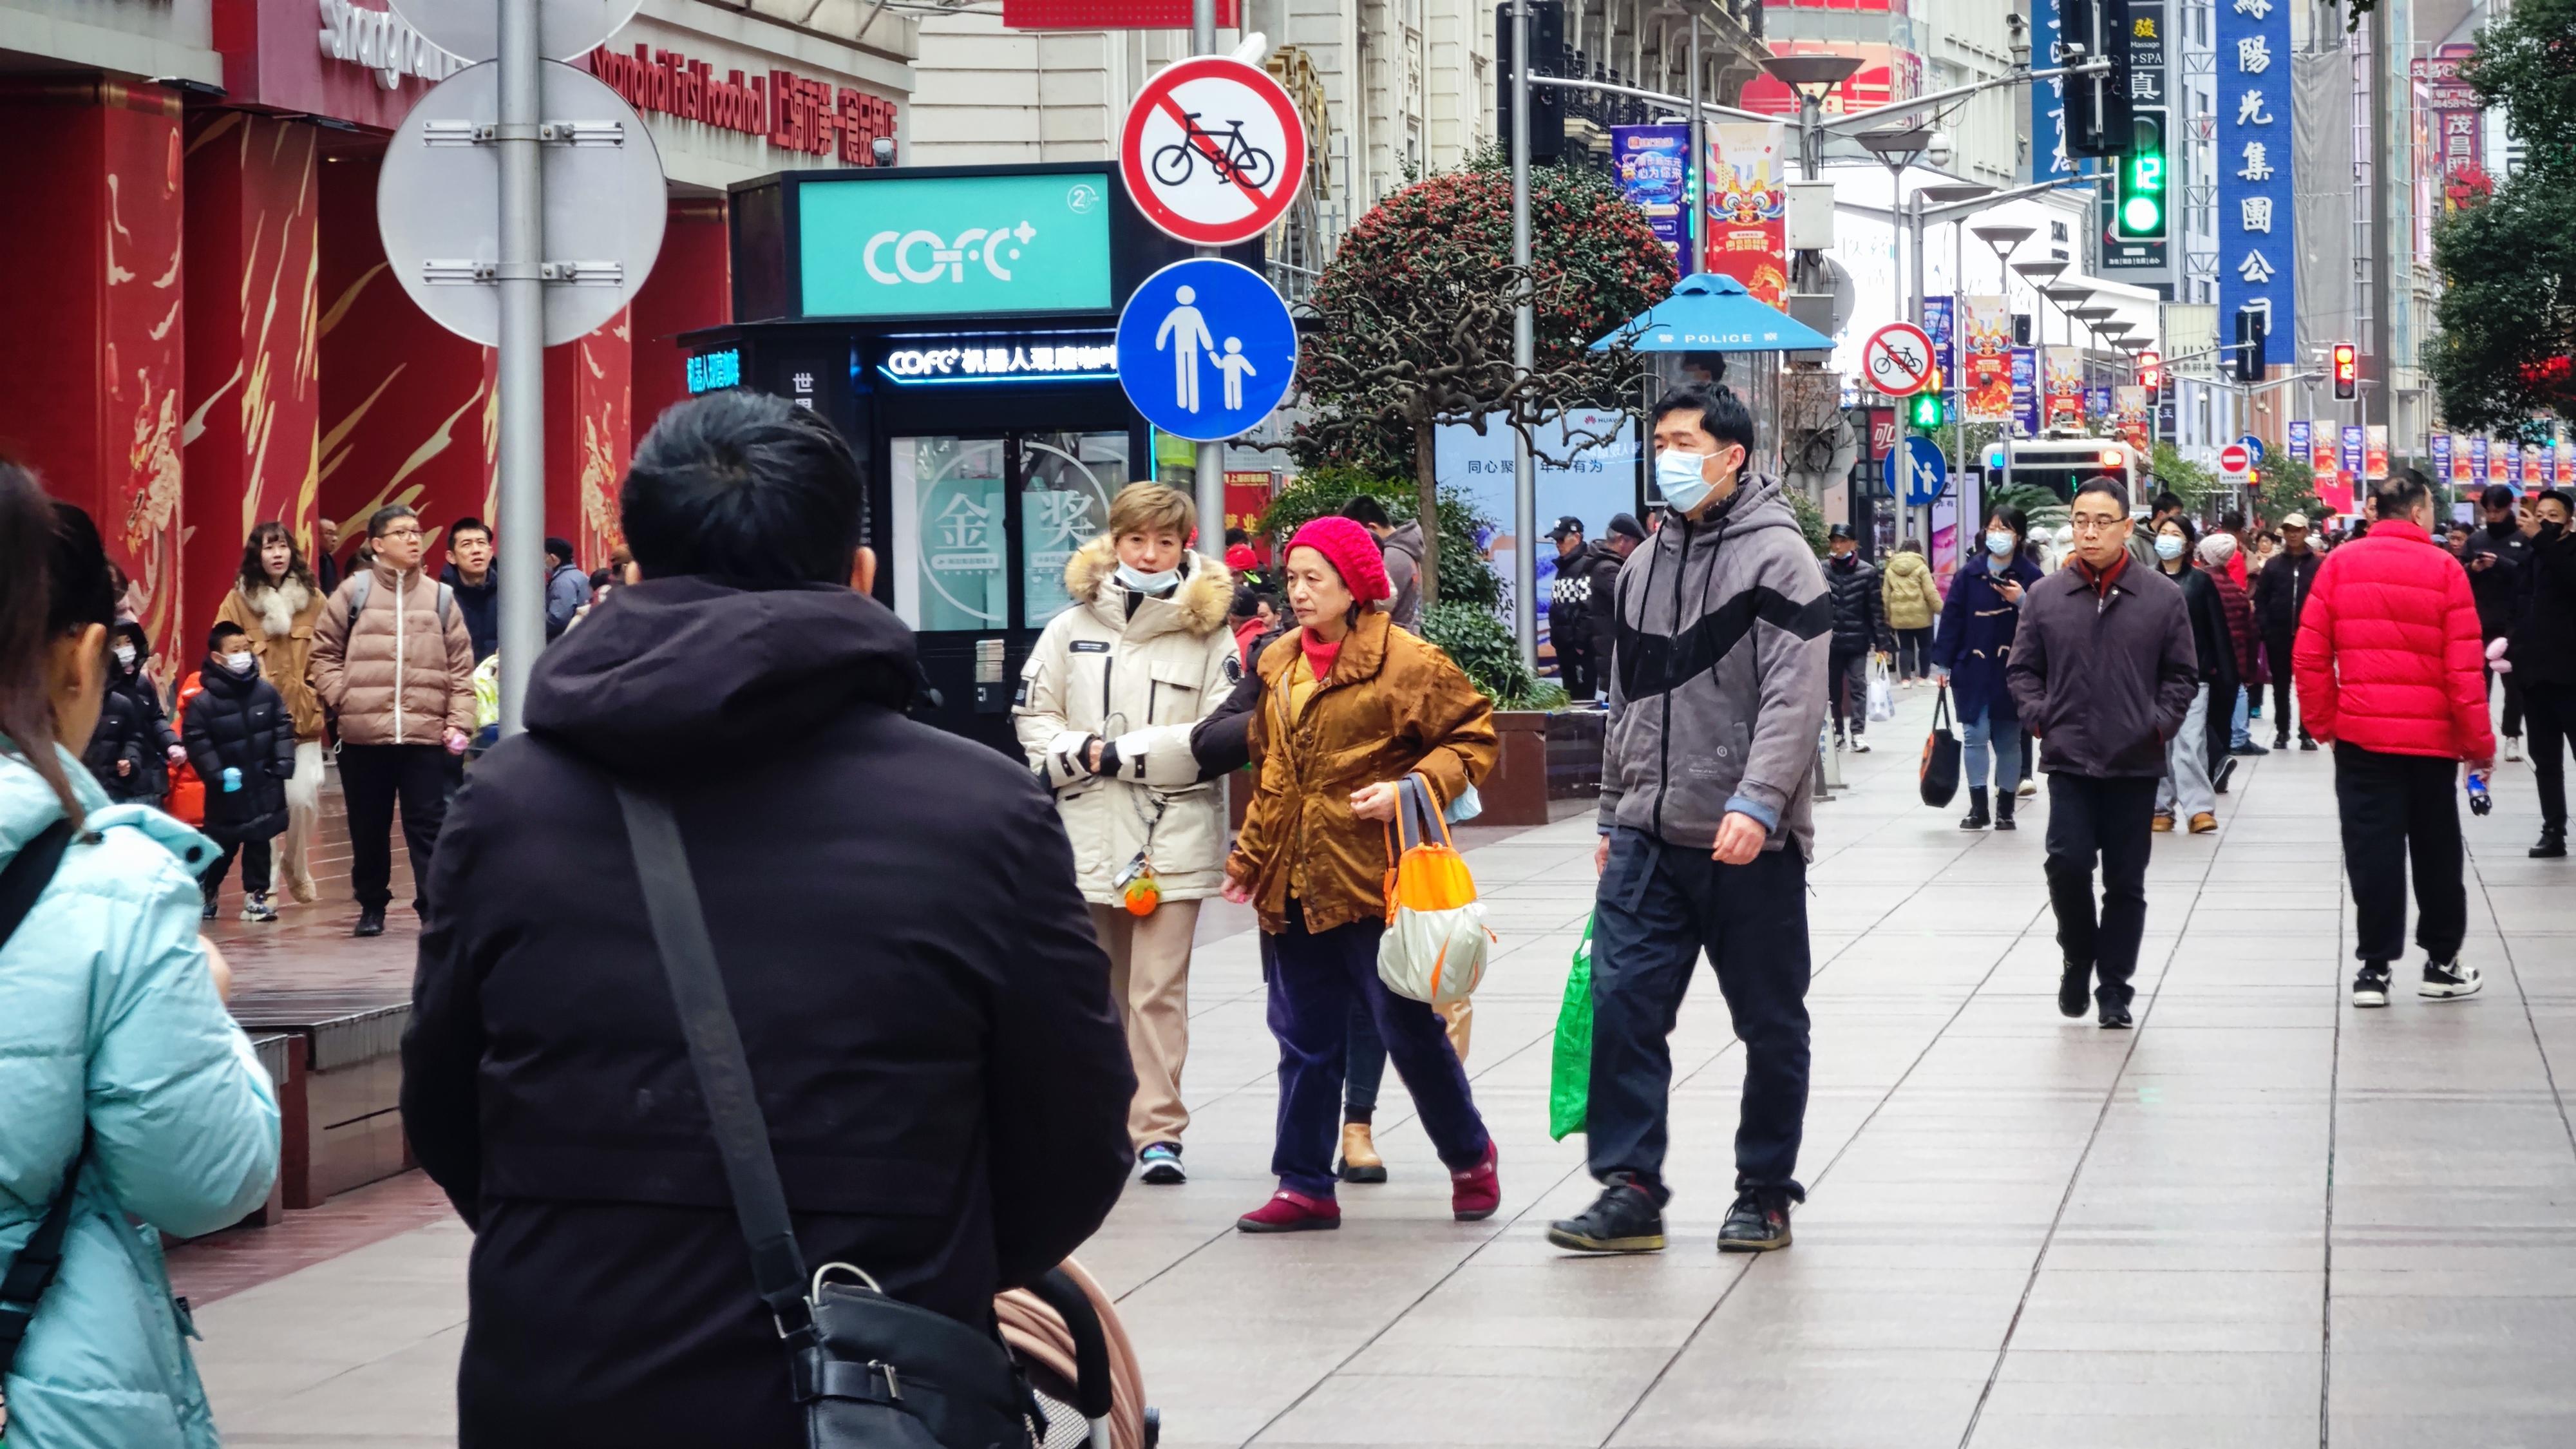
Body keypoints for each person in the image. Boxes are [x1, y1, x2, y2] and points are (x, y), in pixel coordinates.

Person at [401, 390, 1133, 1448]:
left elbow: (446, 1108)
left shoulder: (508, 807)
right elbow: (1072, 1130)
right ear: (863, 575)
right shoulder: (980, 812)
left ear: (634, 572)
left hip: (561, 1379)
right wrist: (929, 1263)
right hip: (873, 1393)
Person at [0, 469, 280, 1449]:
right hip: (47, 1391)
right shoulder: (110, 888)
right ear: (80, 659)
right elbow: (205, 1175)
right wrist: (203, 1004)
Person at [1546, 385, 1829, 1256]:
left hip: (1748, 838)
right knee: (1625, 1003)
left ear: (1731, 454)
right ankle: (1630, 1187)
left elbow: (1794, 699)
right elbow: (1627, 701)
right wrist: (1607, 809)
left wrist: (1759, 799)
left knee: (1770, 1021)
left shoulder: (1782, 560)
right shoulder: (1640, 566)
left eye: (1682, 441)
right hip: (1645, 831)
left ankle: (1764, 1190)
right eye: (1659, 440)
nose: (1665, 455)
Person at [1222, 514, 1500, 1233]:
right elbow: (1274, 771)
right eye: (1293, 578)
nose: (1300, 592)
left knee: (1405, 1031)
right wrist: (1250, 857)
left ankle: (1470, 1155)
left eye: (1316, 579)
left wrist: (1411, 788)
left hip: (1376, 881)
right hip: (1294, 883)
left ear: (1356, 586)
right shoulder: (1277, 660)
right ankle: (1304, 1183)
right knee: (1303, 1037)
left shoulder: (1407, 662)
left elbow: (1472, 738)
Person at [1014, 482, 1236, 1188]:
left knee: (1156, 990)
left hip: (1172, 831)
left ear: (1184, 547)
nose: (1148, 553)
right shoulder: (1066, 627)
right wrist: (1076, 754)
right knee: (1093, 990)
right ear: (1114, 542)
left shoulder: (1211, 635)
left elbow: (1220, 733)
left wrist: (1124, 754)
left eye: (1164, 542)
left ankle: (1157, 1132)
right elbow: (1033, 716)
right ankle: (1098, 1122)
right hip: (1082, 832)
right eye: (1136, 539)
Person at [2294, 469, 2494, 1007]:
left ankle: (2374, 971)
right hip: (2431, 743)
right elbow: (2464, 671)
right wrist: (2479, 745)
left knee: (2372, 852)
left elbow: (2310, 655)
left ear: (2376, 511)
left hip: (2362, 740)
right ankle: (2441, 963)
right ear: (2420, 511)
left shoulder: (2338, 564)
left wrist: (2325, 724)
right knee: (2436, 852)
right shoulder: (2446, 570)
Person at [2008, 477, 2199, 1030]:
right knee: (2066, 865)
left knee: (2125, 881)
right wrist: (2040, 716)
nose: (2089, 532)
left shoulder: (2161, 598)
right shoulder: (2046, 596)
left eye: (2101, 522)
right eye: (2080, 521)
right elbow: (2022, 669)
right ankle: (2078, 952)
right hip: (2069, 758)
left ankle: (2114, 988)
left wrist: (2158, 726)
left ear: (2126, 527)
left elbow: (2182, 674)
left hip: (2133, 762)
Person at [310, 503, 475, 937]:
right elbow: (322, 654)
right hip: (365, 734)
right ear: (378, 544)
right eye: (403, 532)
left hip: (424, 733)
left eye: (418, 531)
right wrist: (342, 698)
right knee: (368, 826)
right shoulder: (353, 592)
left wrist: (459, 721)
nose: (414, 539)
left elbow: (461, 668)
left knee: (428, 826)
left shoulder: (441, 597)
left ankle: (432, 906)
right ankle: (372, 904)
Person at [214, 520, 329, 902]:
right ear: (256, 555)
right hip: (257, 722)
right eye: (268, 548)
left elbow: (332, 649)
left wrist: (315, 692)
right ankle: (269, 884)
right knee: (264, 807)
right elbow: (221, 652)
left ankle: (296, 864)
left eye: (282, 546)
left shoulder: (314, 599)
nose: (276, 554)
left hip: (303, 719)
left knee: (302, 799)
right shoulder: (238, 601)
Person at [1932, 507, 2041, 831]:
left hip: (2013, 670)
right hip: (1973, 667)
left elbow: (2047, 620)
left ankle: (2006, 809)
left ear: (2018, 535)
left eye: (2005, 529)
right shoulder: (1969, 573)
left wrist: (2023, 600)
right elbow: (1952, 617)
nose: (1997, 534)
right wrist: (1943, 662)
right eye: (1992, 528)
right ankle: (1979, 807)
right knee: (1974, 735)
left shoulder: (2032, 576)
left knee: (2008, 739)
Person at [182, 620, 297, 923]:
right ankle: (209, 888)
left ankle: (256, 898)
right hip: (227, 791)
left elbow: (283, 727)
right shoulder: (204, 703)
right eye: (235, 651)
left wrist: (283, 763)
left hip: (264, 782)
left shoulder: (265, 692)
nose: (243, 655)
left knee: (261, 840)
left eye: (246, 649)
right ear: (218, 657)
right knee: (222, 845)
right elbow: (197, 741)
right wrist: (217, 775)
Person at [2145, 515, 2227, 833]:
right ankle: (2160, 807)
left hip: (2193, 676)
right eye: (2163, 533)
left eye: (2175, 534)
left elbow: (2216, 630)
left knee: (2190, 742)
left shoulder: (2201, 582)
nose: (2167, 538)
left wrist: (2222, 671)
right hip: (2152, 677)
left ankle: (2199, 808)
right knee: (2157, 743)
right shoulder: (2144, 581)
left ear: (2188, 543)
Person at [2506, 489, 2576, 857]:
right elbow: (2519, 605)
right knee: (2546, 761)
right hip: (2535, 676)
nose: (2545, 520)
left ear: (2569, 521)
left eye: (2554, 515)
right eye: (2541, 514)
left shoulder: (2567, 551)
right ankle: (2553, 831)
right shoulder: (2531, 556)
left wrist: (2541, 542)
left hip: (2570, 676)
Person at [80, 620, 185, 805]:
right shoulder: (100, 691)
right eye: (117, 644)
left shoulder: (142, 683)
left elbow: (156, 718)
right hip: (117, 784)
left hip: (151, 778)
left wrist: (171, 743)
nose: (125, 649)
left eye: (129, 642)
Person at [2464, 484, 2533, 762]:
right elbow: (2460, 576)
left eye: (2498, 511)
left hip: (2512, 624)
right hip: (2479, 622)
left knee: (2513, 686)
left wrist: (2502, 563)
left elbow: (2530, 577)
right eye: (2488, 511)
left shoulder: (2523, 539)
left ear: (2509, 508)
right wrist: (2474, 568)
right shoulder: (2475, 540)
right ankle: (2479, 736)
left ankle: (2512, 735)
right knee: (2478, 684)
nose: (2492, 517)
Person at [2253, 511, 2324, 749]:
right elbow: (2261, 599)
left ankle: (2306, 733)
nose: (2293, 534)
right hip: (2278, 635)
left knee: (2307, 686)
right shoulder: (2273, 566)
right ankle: (2282, 731)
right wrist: (2265, 628)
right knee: (2281, 686)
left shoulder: (2318, 565)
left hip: (2309, 636)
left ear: (2305, 532)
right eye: (2288, 530)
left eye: (2297, 530)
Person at [2203, 533, 2269, 777]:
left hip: (2206, 663)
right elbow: (2252, 633)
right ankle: (2221, 761)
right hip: (2234, 664)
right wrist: (2251, 670)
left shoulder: (2199, 584)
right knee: (2223, 715)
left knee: (2203, 717)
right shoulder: (2235, 590)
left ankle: (2216, 759)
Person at [1822, 524, 1883, 752]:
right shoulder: (1822, 569)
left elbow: (1876, 609)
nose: (1838, 546)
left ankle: (1857, 733)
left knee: (1858, 685)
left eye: (1843, 541)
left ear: (1854, 544)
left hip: (1858, 641)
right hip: (1831, 640)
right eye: (1835, 541)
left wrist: (1882, 643)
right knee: (1833, 690)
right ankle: (1838, 733)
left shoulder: (1867, 573)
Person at [1340, 495, 1423, 630]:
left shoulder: (1391, 556)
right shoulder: (1405, 549)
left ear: (1372, 529)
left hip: (1388, 640)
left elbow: (1373, 608)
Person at [1546, 516, 1598, 698]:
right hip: (1565, 647)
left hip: (1579, 651)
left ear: (1577, 538)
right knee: (1570, 696)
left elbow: (1589, 609)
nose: (1558, 544)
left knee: (1582, 698)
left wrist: (1580, 645)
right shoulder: (1564, 568)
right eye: (1556, 541)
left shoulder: (1585, 566)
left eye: (1561, 539)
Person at [440, 516, 501, 663]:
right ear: (451, 557)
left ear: (490, 552)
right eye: (466, 545)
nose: (476, 550)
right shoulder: (442, 598)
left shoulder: (509, 595)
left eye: (481, 543)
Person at [1882, 538, 1941, 687]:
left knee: (1905, 647)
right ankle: (1923, 678)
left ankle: (1906, 680)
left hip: (1900, 616)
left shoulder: (1890, 569)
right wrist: (1942, 610)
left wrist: (1886, 616)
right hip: (1922, 615)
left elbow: (1886, 596)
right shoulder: (1921, 567)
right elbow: (1930, 592)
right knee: (1925, 646)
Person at [542, 536, 587, 641]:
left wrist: (534, 625)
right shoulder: (579, 575)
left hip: (565, 640)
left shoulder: (562, 582)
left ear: (553, 558)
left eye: (544, 557)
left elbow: (558, 618)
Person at [2127, 490, 2186, 570]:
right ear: (2161, 514)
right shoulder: (2133, 542)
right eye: (2177, 514)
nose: (2179, 519)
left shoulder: (2176, 542)